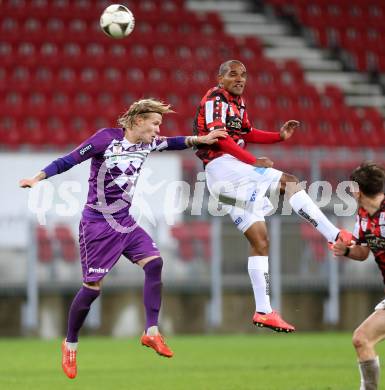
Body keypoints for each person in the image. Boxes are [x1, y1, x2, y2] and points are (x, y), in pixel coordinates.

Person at [19, 98, 226, 379]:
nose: (157, 131)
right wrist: (37, 178)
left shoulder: (148, 144)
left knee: (154, 263)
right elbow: (68, 160)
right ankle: (70, 344)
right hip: (96, 225)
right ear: (138, 121)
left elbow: (176, 141)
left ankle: (151, 331)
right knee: (92, 289)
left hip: (125, 221)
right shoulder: (106, 139)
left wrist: (203, 138)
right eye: (154, 124)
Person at [193, 59, 351, 333]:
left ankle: (264, 310)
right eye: (232, 74)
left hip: (229, 175)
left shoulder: (238, 103)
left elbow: (246, 132)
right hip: (223, 167)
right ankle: (333, 235)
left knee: (260, 241)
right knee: (289, 182)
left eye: (243, 74)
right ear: (220, 78)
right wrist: (252, 161)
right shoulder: (215, 98)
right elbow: (220, 138)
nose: (239, 79)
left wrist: (278, 136)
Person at [332, 162, 385, 390]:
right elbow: (363, 252)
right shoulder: (363, 216)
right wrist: (345, 250)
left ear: (357, 190)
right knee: (361, 339)